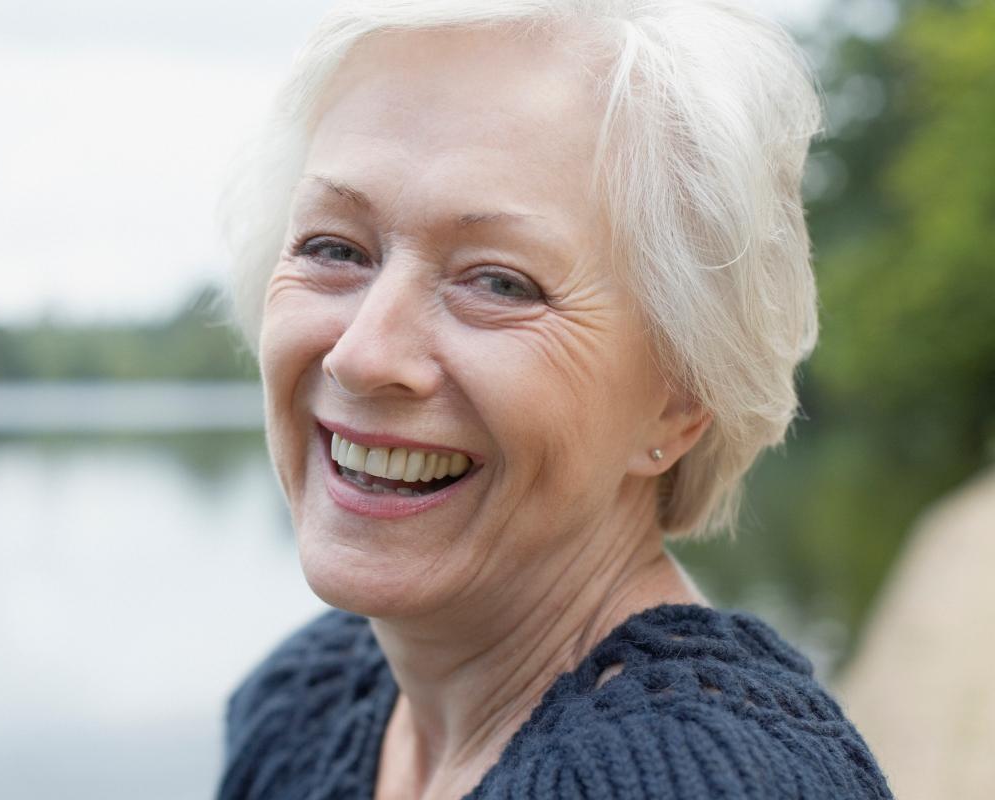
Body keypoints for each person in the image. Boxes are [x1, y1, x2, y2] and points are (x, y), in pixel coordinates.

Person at [216, 1, 892, 797]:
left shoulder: (704, 782)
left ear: (680, 399)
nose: (364, 356)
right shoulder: (303, 703)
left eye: (500, 281)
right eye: (334, 247)